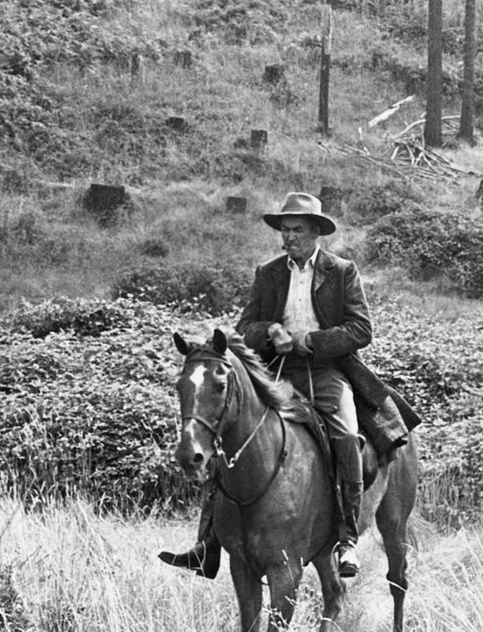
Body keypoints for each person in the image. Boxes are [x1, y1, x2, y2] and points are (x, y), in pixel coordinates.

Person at [160, 191, 377, 580]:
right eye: (285, 230)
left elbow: (361, 329)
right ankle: (206, 543)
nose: (288, 237)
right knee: (226, 432)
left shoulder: (342, 271)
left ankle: (346, 538)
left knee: (347, 435)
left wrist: (311, 340)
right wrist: (272, 331)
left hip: (326, 373)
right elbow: (246, 327)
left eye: (296, 229)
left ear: (315, 233)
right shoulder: (269, 273)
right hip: (274, 372)